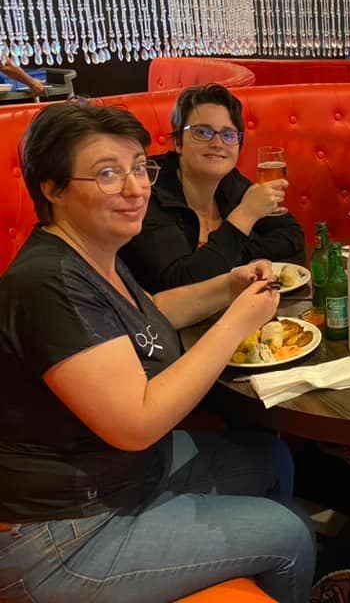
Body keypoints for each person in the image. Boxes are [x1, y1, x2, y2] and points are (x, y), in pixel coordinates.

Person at [0, 103, 318, 602]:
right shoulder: (47, 283)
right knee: (289, 534)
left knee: (268, 458)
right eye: (108, 174)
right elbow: (138, 422)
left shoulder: (90, 251)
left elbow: (150, 312)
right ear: (53, 188)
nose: (135, 189)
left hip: (125, 476)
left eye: (138, 168)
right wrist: (236, 323)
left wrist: (228, 286)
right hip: (64, 532)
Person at [120, 84, 304, 293]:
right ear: (178, 142)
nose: (218, 143)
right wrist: (245, 215)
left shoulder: (229, 180)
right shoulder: (149, 190)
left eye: (228, 135)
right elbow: (181, 281)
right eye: (202, 132)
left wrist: (228, 255)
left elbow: (291, 234)